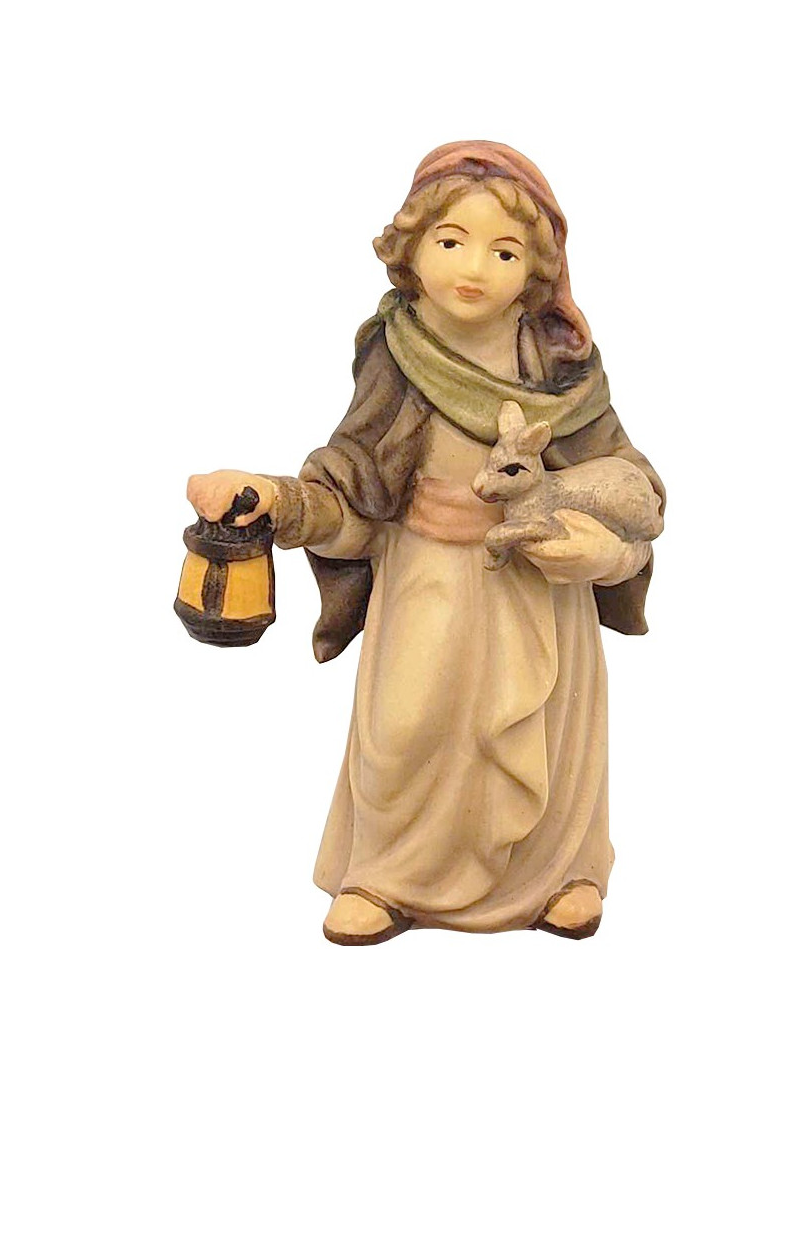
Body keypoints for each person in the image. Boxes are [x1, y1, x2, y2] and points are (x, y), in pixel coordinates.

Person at [187, 141, 664, 944]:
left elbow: (634, 488)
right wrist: (273, 498)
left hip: (536, 586)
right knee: (405, 727)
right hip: (426, 575)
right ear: (411, 246)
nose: (474, 267)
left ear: (537, 268)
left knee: (544, 728)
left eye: (503, 251)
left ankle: (561, 872)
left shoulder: (562, 370)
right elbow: (352, 491)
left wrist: (599, 550)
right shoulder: (396, 355)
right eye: (451, 240)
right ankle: (386, 875)